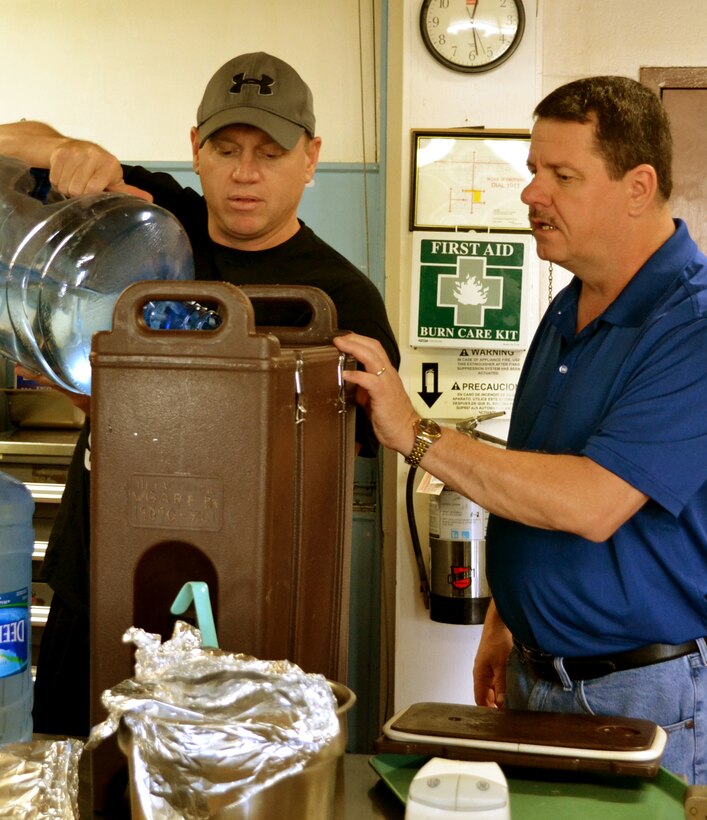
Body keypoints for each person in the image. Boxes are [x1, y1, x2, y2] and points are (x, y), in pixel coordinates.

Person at [0, 51, 399, 736]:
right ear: (196, 149)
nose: (246, 173)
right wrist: (64, 149)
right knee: (80, 773)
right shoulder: (150, 217)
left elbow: (344, 465)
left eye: (271, 153)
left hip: (247, 606)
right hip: (98, 579)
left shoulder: (341, 299)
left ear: (311, 158)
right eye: (226, 148)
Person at [333, 76, 707, 784]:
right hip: (540, 675)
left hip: (640, 693)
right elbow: (536, 474)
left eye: (561, 175)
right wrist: (505, 623)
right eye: (534, 171)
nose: (531, 193)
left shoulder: (692, 326)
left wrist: (414, 432)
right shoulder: (566, 309)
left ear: (637, 186)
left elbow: (590, 502)